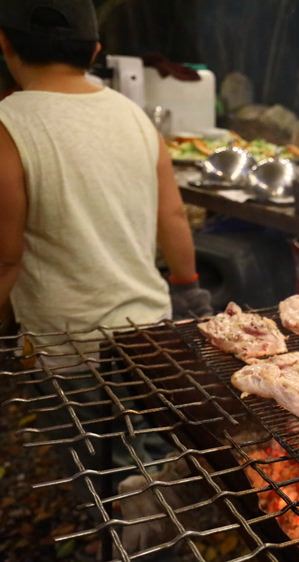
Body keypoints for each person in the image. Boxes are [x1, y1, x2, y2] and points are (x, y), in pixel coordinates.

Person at [0, 0, 212, 355]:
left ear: (5, 42)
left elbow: (6, 257)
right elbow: (173, 216)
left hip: (64, 343)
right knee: (141, 412)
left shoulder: (9, 124)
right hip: (147, 332)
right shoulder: (135, 116)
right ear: (95, 50)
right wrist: (188, 288)